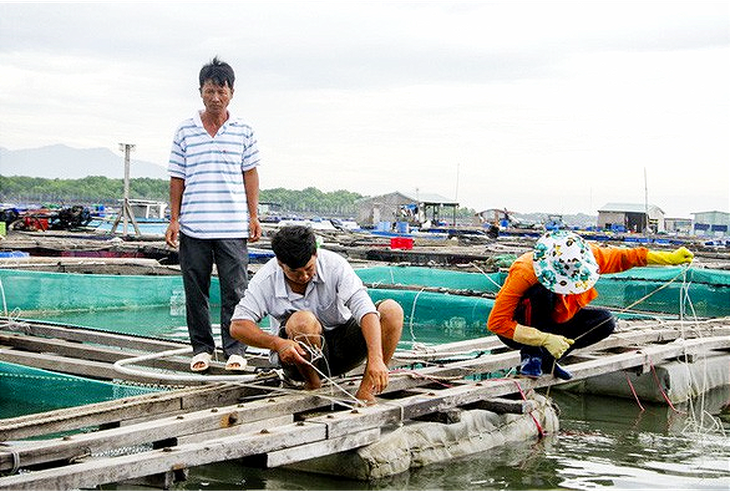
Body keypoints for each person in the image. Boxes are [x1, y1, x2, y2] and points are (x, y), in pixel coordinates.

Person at [230, 225, 404, 404]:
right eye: (295, 273)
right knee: (302, 321)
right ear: (281, 264)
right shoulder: (266, 278)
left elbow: (365, 309)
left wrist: (376, 358)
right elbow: (238, 325)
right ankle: (313, 385)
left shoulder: (334, 265)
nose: (304, 276)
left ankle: (367, 390)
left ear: (315, 254)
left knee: (391, 310)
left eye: (308, 268)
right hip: (299, 361)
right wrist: (278, 343)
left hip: (343, 350)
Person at [487, 229, 694, 380]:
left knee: (604, 321)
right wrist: (542, 338)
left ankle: (548, 359)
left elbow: (624, 257)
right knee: (542, 292)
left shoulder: (586, 256)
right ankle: (531, 356)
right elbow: (497, 322)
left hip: (559, 319)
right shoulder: (525, 271)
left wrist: (667, 258)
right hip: (522, 329)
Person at [165, 56, 262, 373]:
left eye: (222, 91)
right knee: (196, 291)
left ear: (232, 92)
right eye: (210, 91)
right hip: (194, 227)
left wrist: (253, 216)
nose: (216, 98)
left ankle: (235, 349)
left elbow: (250, 174)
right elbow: (177, 178)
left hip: (233, 226)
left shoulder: (244, 131)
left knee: (236, 290)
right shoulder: (185, 130)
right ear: (201, 92)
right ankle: (202, 349)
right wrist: (174, 219)